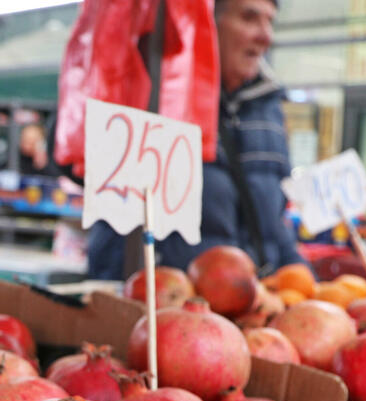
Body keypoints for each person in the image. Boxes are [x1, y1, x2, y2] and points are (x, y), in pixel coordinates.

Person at [87, 0, 303, 279]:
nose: (265, 36)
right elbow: (73, 155)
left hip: (249, 304)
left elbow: (273, 224)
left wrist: (302, 282)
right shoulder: (152, 84)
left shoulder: (269, 106)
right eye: (249, 18)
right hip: (159, 298)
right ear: (207, 20)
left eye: (269, 22)